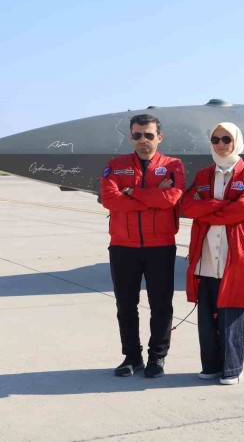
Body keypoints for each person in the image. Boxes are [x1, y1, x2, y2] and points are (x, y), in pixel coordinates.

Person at [99, 114, 185, 378]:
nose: (143, 140)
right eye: (137, 135)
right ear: (130, 137)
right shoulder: (116, 165)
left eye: (148, 135)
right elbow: (109, 199)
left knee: (161, 304)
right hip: (123, 247)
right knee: (126, 305)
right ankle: (132, 357)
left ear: (159, 137)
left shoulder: (172, 165)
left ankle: (157, 358)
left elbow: (171, 198)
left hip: (160, 246)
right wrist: (153, 195)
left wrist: (131, 192)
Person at [181, 122, 244, 385]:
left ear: (236, 141)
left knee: (234, 312)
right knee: (206, 316)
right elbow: (188, 206)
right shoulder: (204, 175)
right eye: (215, 139)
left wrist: (208, 210)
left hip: (235, 255)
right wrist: (222, 206)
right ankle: (211, 366)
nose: (221, 144)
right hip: (206, 257)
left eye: (227, 139)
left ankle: (232, 368)